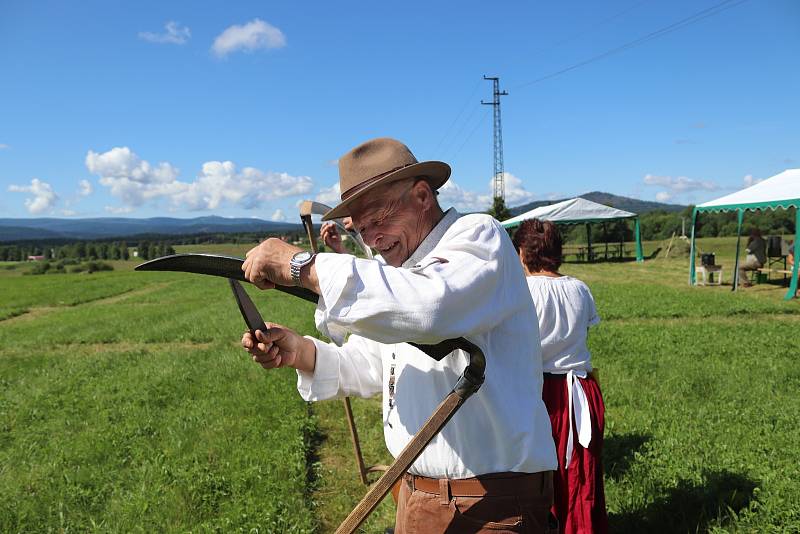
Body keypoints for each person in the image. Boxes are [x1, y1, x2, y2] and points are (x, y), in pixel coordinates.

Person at [241, 137, 557, 533]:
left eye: (378, 218)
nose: (371, 238)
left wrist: (300, 265)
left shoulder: (477, 238)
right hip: (414, 495)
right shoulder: (403, 276)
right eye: (360, 227)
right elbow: (372, 365)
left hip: (489, 506)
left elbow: (432, 308)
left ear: (422, 195)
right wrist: (299, 351)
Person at [513, 219, 608, 534]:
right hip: (581, 388)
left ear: (524, 252)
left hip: (545, 393)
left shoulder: (523, 291)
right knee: (579, 473)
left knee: (541, 473)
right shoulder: (579, 288)